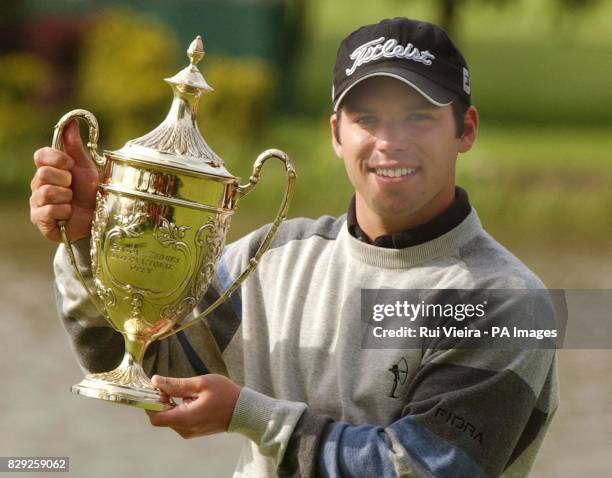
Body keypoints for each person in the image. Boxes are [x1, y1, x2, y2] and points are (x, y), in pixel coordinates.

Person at [30, 17, 558, 478]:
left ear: (464, 129)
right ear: (336, 133)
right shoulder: (270, 257)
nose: (389, 141)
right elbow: (142, 364)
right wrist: (88, 240)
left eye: (418, 116)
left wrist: (251, 415)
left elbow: (420, 470)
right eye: (366, 118)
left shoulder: (507, 302)